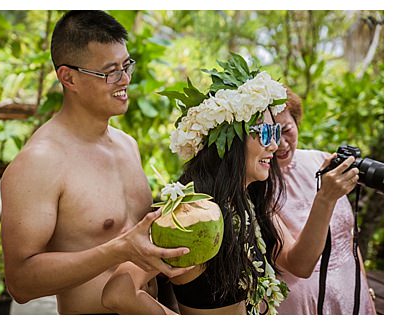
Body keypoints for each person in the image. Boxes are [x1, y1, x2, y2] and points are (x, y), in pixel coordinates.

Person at [101, 55, 360, 315]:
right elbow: (118, 292)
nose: (274, 145)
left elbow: (300, 265)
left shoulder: (248, 202)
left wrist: (325, 199)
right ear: (231, 141)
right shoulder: (190, 212)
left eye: (277, 132)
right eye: (265, 133)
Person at [0, 10, 191, 314]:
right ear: (69, 77)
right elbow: (20, 283)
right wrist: (117, 250)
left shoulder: (128, 145)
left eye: (126, 65)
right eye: (110, 71)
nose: (125, 79)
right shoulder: (39, 162)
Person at [272, 88, 376, 314]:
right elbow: (299, 265)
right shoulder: (257, 185)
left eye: (286, 130)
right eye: (270, 134)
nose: (281, 144)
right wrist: (325, 198)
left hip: (352, 292)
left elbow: (348, 237)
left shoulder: (320, 160)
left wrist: (363, 285)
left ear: (296, 122)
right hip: (306, 306)